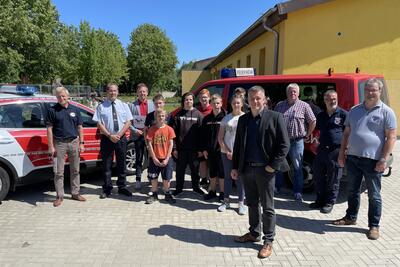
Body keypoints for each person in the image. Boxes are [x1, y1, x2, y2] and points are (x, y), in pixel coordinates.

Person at [333, 78, 397, 240]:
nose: (370, 92)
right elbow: (347, 133)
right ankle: (350, 217)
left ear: (379, 91)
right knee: (352, 191)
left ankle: (374, 226)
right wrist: (342, 154)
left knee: (374, 195)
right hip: (353, 158)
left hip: (373, 161)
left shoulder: (386, 112)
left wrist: (384, 159)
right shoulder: (354, 110)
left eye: (373, 90)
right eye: (367, 89)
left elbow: (391, 137)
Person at [231, 86, 290, 259]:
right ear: (247, 101)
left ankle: (269, 240)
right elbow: (238, 146)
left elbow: (284, 145)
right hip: (247, 169)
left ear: (264, 99)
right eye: (252, 99)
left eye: (258, 98)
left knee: (268, 207)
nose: (255, 101)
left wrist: (273, 166)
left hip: (266, 170)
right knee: (251, 203)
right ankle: (254, 233)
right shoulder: (243, 120)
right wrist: (235, 167)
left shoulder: (275, 117)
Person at [274, 83, 316, 201]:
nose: (292, 93)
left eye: (295, 91)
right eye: (290, 91)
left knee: (298, 168)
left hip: (296, 141)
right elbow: (274, 121)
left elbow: (313, 121)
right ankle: (277, 188)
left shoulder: (304, 106)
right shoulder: (280, 105)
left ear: (298, 93)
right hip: (282, 141)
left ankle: (297, 192)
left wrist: (307, 134)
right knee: (279, 166)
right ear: (287, 93)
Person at [46, 87, 86, 207]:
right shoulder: (52, 110)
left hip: (74, 142)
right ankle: (59, 196)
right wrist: (50, 146)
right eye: (58, 96)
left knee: (75, 170)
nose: (61, 98)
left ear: (68, 96)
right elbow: (49, 129)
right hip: (60, 144)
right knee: (58, 172)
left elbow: (80, 127)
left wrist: (82, 143)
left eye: (63, 96)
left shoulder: (75, 109)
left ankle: (75, 193)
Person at [309, 90, 347, 213]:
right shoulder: (321, 115)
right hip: (321, 150)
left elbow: (349, 133)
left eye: (334, 99)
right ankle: (320, 200)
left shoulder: (343, 115)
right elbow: (316, 128)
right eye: (329, 99)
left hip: (336, 150)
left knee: (333, 178)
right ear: (325, 101)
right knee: (318, 175)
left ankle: (329, 202)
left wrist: (345, 150)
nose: (332, 101)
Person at [93, 83, 133, 199]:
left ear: (118, 92)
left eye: (115, 91)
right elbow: (99, 123)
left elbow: (128, 122)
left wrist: (119, 135)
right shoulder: (101, 107)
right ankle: (107, 188)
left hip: (121, 138)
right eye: (110, 91)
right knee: (107, 165)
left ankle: (122, 187)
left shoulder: (124, 105)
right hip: (107, 139)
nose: (113, 93)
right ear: (107, 92)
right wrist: (110, 135)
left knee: (121, 164)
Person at [217, 94, 246, 215]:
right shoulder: (226, 119)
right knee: (228, 177)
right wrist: (228, 151)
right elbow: (220, 138)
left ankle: (241, 203)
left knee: (240, 178)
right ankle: (226, 201)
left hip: (241, 154)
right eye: (234, 103)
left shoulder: (246, 118)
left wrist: (238, 152)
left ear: (242, 104)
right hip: (226, 153)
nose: (236, 105)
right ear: (231, 104)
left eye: (238, 103)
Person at [171, 92, 205, 196]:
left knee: (195, 170)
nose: (188, 101)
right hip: (181, 149)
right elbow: (173, 133)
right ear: (183, 101)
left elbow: (202, 133)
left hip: (194, 150)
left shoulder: (198, 115)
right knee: (180, 170)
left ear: (193, 101)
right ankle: (178, 189)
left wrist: (200, 149)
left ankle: (196, 188)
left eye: (190, 99)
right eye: (186, 99)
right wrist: (174, 149)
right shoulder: (178, 115)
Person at [145, 108, 176, 204]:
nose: (161, 118)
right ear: (155, 117)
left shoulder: (169, 129)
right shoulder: (152, 129)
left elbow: (171, 144)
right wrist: (153, 158)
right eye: (159, 116)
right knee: (153, 177)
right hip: (155, 158)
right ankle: (154, 194)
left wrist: (167, 158)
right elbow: (149, 144)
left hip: (166, 158)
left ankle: (167, 193)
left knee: (166, 178)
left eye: (162, 116)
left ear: (165, 117)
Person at [129, 83, 155, 190]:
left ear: (147, 93)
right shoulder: (131, 105)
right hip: (138, 136)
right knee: (139, 158)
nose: (142, 93)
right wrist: (135, 130)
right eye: (140, 91)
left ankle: (150, 177)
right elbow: (128, 122)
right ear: (137, 93)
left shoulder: (152, 104)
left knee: (151, 157)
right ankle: (138, 179)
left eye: (144, 91)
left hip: (150, 136)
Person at [201, 94, 226, 201]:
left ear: (221, 103)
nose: (216, 105)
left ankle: (222, 193)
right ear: (210, 104)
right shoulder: (206, 119)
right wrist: (204, 149)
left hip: (222, 150)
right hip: (210, 150)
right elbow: (203, 136)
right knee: (212, 172)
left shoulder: (226, 117)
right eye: (214, 103)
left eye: (218, 103)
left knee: (222, 172)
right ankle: (212, 191)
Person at [196, 89, 212, 188]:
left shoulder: (212, 109)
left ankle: (212, 179)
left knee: (210, 161)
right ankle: (204, 179)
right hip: (200, 139)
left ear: (209, 98)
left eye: (205, 97)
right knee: (202, 160)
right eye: (201, 97)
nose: (203, 99)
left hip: (211, 140)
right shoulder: (197, 110)